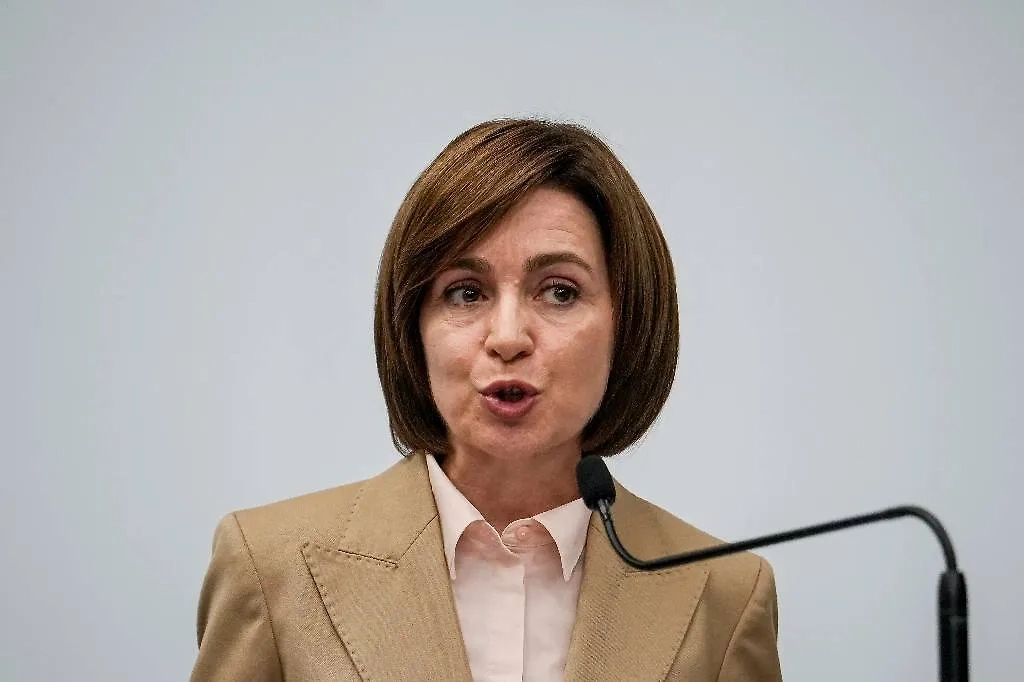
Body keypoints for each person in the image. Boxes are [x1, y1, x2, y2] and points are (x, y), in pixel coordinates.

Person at [190, 119, 783, 681]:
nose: (507, 337)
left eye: (559, 292)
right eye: (465, 293)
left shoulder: (725, 594)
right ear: (413, 328)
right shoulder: (270, 567)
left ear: (624, 325)